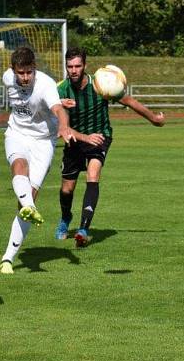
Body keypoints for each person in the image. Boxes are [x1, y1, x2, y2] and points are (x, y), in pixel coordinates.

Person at [55, 48, 165, 247]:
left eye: (77, 66)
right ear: (66, 67)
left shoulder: (101, 84)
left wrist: (155, 119)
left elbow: (129, 101)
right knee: (66, 189)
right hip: (75, 139)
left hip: (99, 136)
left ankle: (83, 229)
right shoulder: (60, 90)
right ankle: (65, 218)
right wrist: (58, 106)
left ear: (85, 66)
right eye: (70, 66)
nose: (73, 70)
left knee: (93, 174)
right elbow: (52, 117)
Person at [0, 47, 75, 275]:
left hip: (43, 141)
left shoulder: (46, 85)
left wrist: (63, 125)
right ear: (13, 71)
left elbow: (58, 109)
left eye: (29, 72)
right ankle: (8, 260)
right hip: (17, 134)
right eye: (20, 73)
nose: (25, 77)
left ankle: (8, 255)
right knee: (18, 166)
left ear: (35, 69)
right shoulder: (6, 78)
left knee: (27, 197)